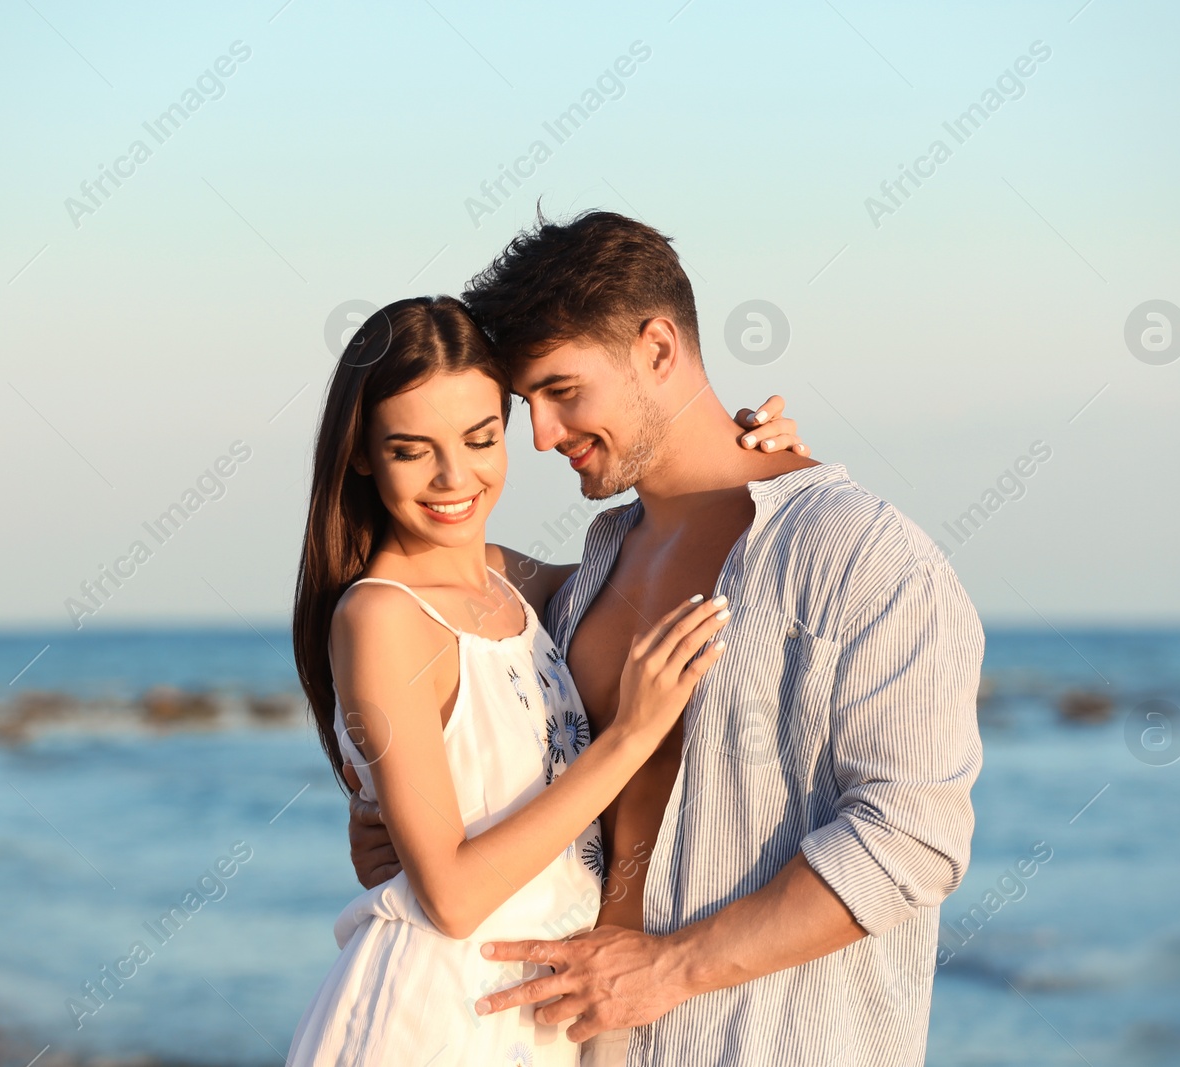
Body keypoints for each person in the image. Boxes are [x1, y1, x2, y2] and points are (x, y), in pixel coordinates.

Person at [348, 212, 986, 1065]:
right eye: (526, 402)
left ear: (657, 348)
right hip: (570, 1043)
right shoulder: (585, 575)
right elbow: (425, 609)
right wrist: (393, 798)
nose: (541, 433)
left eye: (563, 390)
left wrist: (670, 969)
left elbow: (914, 837)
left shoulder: (864, 557)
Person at [285, 295, 807, 1066]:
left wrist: (761, 466)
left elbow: (670, 556)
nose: (453, 477)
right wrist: (629, 737)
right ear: (361, 453)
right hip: (437, 1019)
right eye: (410, 449)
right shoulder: (380, 619)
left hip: (538, 1020)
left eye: (479, 437)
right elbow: (454, 899)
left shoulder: (519, 587)